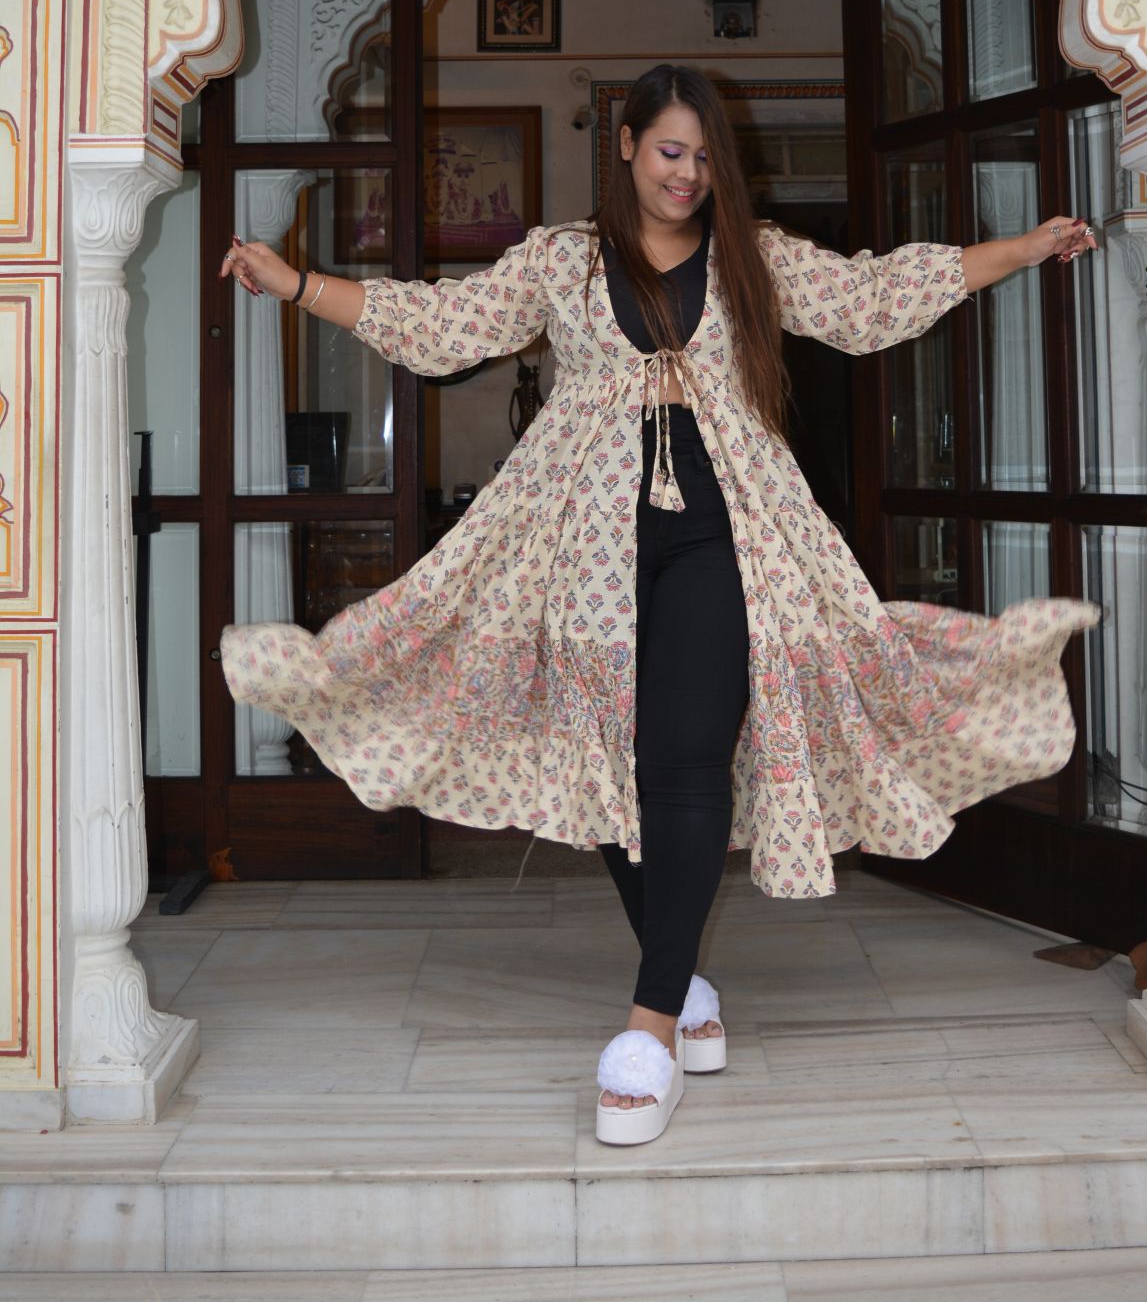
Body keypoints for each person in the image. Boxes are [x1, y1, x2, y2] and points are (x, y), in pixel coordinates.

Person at [220, 62, 1098, 1148]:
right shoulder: (563, 258)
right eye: (669, 151)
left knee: (683, 760)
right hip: (579, 546)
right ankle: (682, 987)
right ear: (628, 144)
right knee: (610, 760)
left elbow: (872, 298)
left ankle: (646, 1029)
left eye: (703, 157)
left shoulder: (753, 257)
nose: (686, 174)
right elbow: (444, 320)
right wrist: (299, 284)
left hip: (725, 536)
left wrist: (1022, 248)